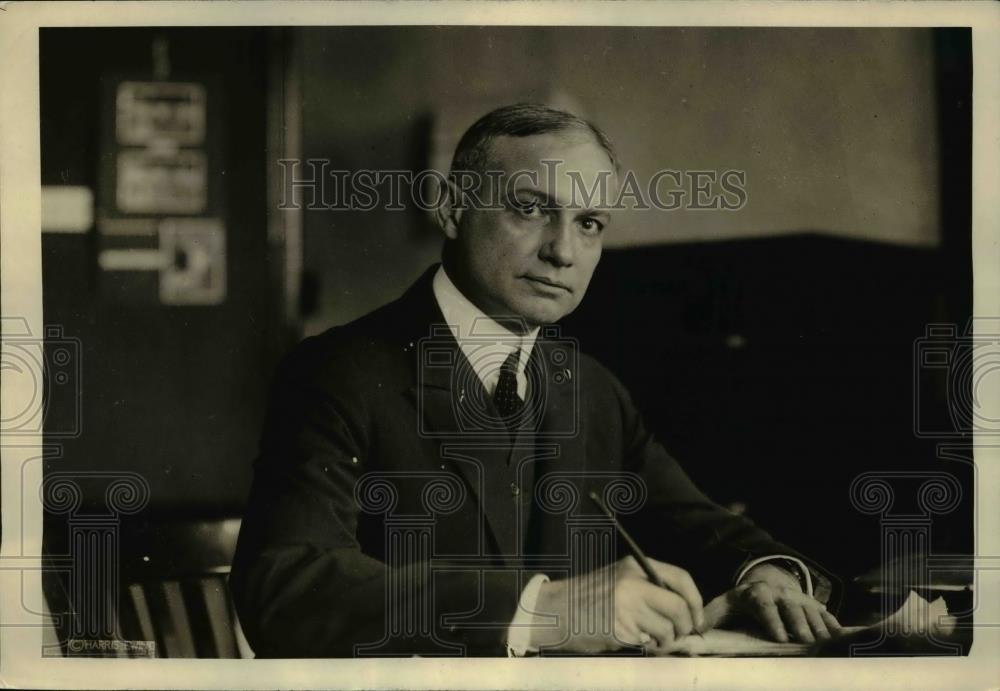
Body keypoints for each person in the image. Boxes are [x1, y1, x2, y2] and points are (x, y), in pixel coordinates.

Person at [230, 103, 841, 657]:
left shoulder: (593, 390)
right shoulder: (339, 372)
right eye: (531, 208)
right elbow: (287, 588)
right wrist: (541, 610)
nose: (563, 251)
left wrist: (767, 572)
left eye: (590, 223)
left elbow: (702, 525)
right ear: (451, 208)